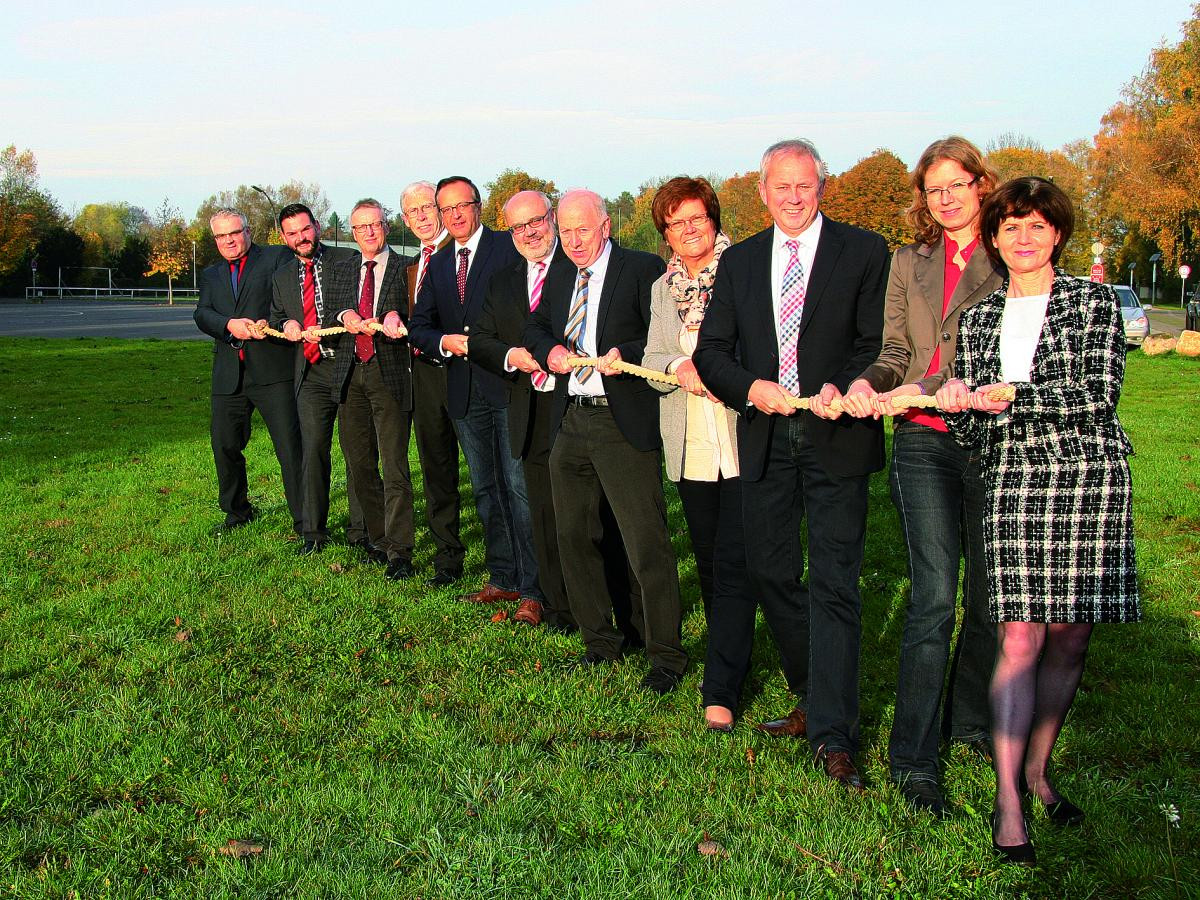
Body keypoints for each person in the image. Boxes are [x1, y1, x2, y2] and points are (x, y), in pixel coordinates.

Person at [935, 176, 1139, 864]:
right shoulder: (980, 317)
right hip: (1014, 481)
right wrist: (960, 401)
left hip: (1087, 478)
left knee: (1069, 639)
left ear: (1058, 234)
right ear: (994, 237)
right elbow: (969, 429)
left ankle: (1037, 771)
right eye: (1011, 227)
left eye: (1037, 227)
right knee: (1019, 637)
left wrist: (1011, 396)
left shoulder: (1096, 303)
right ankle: (1009, 799)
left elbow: (1098, 392)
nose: (1023, 239)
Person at [693, 139, 888, 787]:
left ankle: (835, 734)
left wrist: (850, 384)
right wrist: (750, 388)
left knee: (834, 582)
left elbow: (877, 343)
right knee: (769, 570)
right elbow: (713, 350)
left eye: (806, 185)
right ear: (763, 190)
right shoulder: (743, 261)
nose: (795, 197)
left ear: (822, 186)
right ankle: (814, 689)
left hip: (837, 437)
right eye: (783, 186)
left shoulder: (863, 252)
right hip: (768, 437)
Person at [837, 137, 1003, 814]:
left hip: (995, 438)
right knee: (934, 598)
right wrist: (867, 384)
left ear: (981, 185)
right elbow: (897, 349)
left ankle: (970, 723)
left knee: (992, 596)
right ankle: (914, 759)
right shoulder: (910, 260)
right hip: (923, 438)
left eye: (957, 184)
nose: (946, 197)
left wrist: (979, 383)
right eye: (934, 188)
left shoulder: (1016, 251)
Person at [524, 189, 687, 695]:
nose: (573, 241)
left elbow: (663, 335)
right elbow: (533, 327)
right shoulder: (557, 273)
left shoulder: (642, 269)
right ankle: (600, 641)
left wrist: (626, 351)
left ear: (606, 225)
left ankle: (665, 656)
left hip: (623, 422)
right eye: (564, 230)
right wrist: (548, 348)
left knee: (645, 544)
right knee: (573, 536)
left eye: (583, 229)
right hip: (570, 418)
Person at [641, 177, 749, 729]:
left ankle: (722, 686)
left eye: (697, 219)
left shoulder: (744, 273)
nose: (688, 230)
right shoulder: (663, 289)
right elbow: (655, 354)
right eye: (675, 223)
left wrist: (720, 373)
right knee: (709, 558)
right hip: (690, 442)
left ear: (714, 220)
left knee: (737, 559)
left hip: (742, 436)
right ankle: (735, 656)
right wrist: (677, 367)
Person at [409, 177, 540, 608]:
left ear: (479, 206)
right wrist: (446, 343)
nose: (455, 215)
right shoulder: (441, 263)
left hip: (508, 386)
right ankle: (502, 576)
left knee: (520, 488)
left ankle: (534, 588)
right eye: (446, 209)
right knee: (486, 489)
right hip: (464, 392)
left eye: (463, 205)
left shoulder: (508, 247)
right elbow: (420, 326)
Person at [469, 191, 574, 628]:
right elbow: (483, 341)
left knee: (579, 506)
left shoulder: (579, 268)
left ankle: (587, 597)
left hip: (575, 403)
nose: (529, 232)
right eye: (518, 226)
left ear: (552, 218)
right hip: (525, 406)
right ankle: (538, 593)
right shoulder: (503, 280)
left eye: (536, 221)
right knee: (530, 504)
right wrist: (513, 354)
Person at [193, 207, 302, 534]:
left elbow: (289, 299)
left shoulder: (276, 257)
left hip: (273, 370)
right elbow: (202, 314)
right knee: (224, 446)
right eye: (221, 236)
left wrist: (270, 321)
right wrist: (228, 324)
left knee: (290, 448)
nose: (228, 240)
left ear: (248, 232)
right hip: (229, 376)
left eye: (234, 233)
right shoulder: (211, 275)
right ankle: (237, 513)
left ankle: (305, 521)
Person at [328, 199, 416, 582]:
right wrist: (347, 316)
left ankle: (400, 551)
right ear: (353, 231)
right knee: (360, 465)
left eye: (375, 225)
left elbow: (416, 311)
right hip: (350, 374)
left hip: (390, 373)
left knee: (394, 466)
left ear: (386, 226)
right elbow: (334, 306)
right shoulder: (344, 267)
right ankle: (377, 539)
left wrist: (398, 315)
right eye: (360, 227)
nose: (368, 232)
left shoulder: (404, 268)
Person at [268, 203, 363, 556]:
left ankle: (361, 529)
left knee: (357, 453)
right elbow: (278, 315)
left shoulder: (347, 260)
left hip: (349, 367)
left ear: (317, 227)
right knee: (313, 452)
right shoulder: (281, 276)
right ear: (283, 237)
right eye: (292, 233)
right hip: (311, 373)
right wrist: (287, 325)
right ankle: (313, 533)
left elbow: (359, 303)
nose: (301, 238)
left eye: (305, 229)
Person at [400, 182, 465, 586]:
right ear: (405, 220)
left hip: (462, 371)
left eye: (428, 207)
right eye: (413, 211)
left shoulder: (458, 253)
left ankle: (509, 563)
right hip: (423, 376)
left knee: (484, 470)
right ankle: (448, 558)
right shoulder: (412, 263)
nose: (422, 216)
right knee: (436, 470)